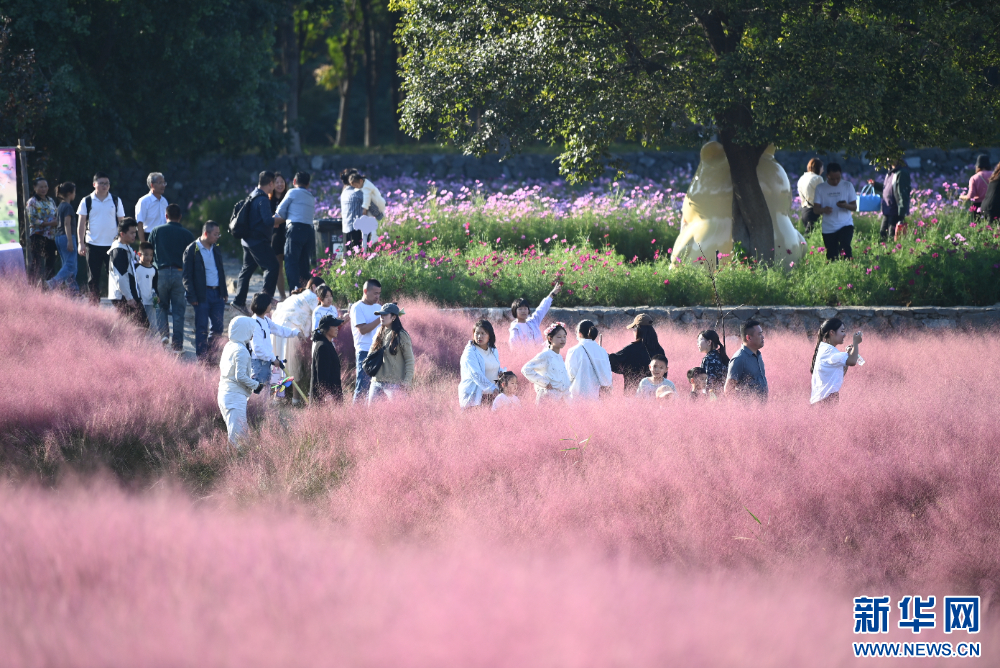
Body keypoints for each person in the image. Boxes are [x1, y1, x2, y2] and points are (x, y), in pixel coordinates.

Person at [232, 171, 281, 315]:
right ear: (271, 183)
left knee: (247, 269)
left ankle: (238, 301)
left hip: (247, 240)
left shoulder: (252, 194)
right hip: (257, 241)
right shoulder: (263, 199)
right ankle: (265, 302)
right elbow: (268, 220)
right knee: (272, 267)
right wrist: (282, 218)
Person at [149, 203, 194, 350]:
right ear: (180, 217)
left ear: (166, 216)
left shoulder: (156, 231)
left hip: (159, 274)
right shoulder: (188, 235)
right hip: (180, 274)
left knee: (159, 306)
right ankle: (178, 343)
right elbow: (192, 258)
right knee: (178, 310)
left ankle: (164, 336)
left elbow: (148, 252)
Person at [77, 172, 125, 303]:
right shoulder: (87, 200)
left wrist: (123, 242)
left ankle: (119, 307)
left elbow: (122, 222)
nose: (105, 186)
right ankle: (94, 307)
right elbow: (81, 224)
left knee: (115, 277)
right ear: (94, 184)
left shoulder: (116, 200)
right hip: (93, 244)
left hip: (112, 245)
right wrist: (80, 243)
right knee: (93, 278)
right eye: (101, 183)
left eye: (107, 183)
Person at [183, 221, 228, 358]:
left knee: (218, 328)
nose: (218, 237)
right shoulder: (192, 249)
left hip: (217, 294)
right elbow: (187, 275)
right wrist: (192, 295)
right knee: (202, 328)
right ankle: (202, 358)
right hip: (202, 295)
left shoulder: (216, 248)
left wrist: (224, 292)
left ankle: (212, 355)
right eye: (215, 234)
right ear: (206, 233)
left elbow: (220, 270)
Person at [217, 316, 264, 446]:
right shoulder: (241, 350)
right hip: (234, 397)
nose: (252, 334)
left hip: (224, 393)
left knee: (234, 435)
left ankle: (232, 462)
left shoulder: (229, 346)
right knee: (239, 439)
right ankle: (236, 464)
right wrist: (256, 385)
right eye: (250, 330)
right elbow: (240, 376)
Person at [275, 171, 317, 292]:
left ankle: (294, 292)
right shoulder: (311, 197)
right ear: (308, 184)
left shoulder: (292, 192)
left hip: (295, 230)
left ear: (294, 181)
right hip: (309, 232)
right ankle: (306, 292)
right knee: (304, 264)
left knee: (291, 262)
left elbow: (280, 211)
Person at [249, 292, 302, 387]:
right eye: (269, 303)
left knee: (266, 391)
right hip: (259, 364)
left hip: (266, 362)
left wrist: (295, 332)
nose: (271, 305)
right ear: (264, 305)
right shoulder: (255, 324)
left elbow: (279, 329)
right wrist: (273, 358)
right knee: (259, 393)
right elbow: (257, 349)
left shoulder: (265, 320)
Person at [367, 303, 414, 404]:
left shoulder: (402, 335)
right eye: (381, 315)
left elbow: (409, 360)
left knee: (397, 416)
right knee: (372, 415)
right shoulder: (379, 332)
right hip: (376, 381)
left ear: (394, 317)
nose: (382, 317)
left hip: (395, 384)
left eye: (385, 314)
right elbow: (370, 355)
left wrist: (407, 382)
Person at [810, 318, 863, 405]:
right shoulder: (829, 351)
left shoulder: (827, 350)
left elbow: (840, 374)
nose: (845, 334)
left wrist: (847, 354)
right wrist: (856, 343)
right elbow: (853, 361)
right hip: (825, 401)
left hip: (823, 401)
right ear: (832, 333)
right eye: (842, 331)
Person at [609, 314, 665, 394]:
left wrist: (601, 354)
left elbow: (614, 361)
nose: (633, 331)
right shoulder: (660, 350)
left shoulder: (631, 349)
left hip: (633, 395)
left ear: (638, 329)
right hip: (656, 395)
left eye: (633, 328)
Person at [811, 163, 857, 260]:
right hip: (829, 227)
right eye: (832, 179)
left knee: (845, 249)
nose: (836, 181)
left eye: (838, 178)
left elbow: (854, 207)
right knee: (832, 255)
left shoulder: (848, 186)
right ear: (827, 175)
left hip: (846, 224)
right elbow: (815, 210)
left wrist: (846, 205)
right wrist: (823, 210)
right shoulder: (820, 188)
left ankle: (849, 269)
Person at [108, 218, 148, 326]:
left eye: (135, 232)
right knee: (142, 325)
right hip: (123, 297)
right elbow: (121, 278)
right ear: (122, 234)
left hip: (127, 295)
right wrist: (129, 298)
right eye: (132, 233)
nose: (134, 235)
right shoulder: (118, 252)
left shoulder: (125, 247)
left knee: (135, 325)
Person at [521, 322, 571, 404]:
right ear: (550, 339)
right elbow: (526, 369)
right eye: (559, 337)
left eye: (564, 337)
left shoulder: (559, 357)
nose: (563, 339)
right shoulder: (545, 355)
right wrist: (545, 383)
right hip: (548, 399)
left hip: (560, 400)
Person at [350, 279, 382, 403]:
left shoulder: (378, 307)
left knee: (376, 389)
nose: (377, 296)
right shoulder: (357, 307)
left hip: (378, 351)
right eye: (375, 293)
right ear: (365, 291)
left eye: (379, 293)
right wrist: (380, 318)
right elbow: (362, 329)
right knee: (362, 387)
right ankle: (355, 418)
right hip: (364, 352)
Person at [565, 320, 613, 401]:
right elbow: (608, 376)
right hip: (597, 399)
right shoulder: (602, 351)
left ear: (579, 334)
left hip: (578, 397)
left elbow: (569, 375)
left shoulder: (574, 351)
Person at [459, 319, 501, 408]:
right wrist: (493, 389)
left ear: (490, 335)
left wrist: (502, 374)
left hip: (493, 396)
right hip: (475, 397)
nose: (479, 336)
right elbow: (476, 374)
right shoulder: (470, 352)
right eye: (477, 333)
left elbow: (495, 366)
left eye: (483, 333)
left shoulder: (493, 350)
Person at [725, 319, 768, 401]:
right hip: (748, 411)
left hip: (761, 411)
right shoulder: (739, 359)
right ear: (749, 337)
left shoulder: (758, 355)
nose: (763, 337)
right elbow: (729, 390)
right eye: (759, 334)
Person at [26, 177, 59, 283]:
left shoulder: (50, 200)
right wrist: (50, 223)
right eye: (40, 187)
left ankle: (49, 286)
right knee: (37, 262)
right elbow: (33, 220)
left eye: (45, 186)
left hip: (51, 236)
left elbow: (56, 214)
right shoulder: (32, 201)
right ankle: (32, 286)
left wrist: (57, 221)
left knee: (51, 263)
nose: (43, 189)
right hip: (38, 236)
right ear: (35, 188)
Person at [48, 182, 79, 292]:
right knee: (71, 265)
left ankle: (72, 290)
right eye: (74, 192)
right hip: (67, 236)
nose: (75, 194)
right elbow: (67, 224)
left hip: (59, 236)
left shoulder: (60, 206)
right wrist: (70, 241)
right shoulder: (68, 207)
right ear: (70, 193)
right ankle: (53, 283)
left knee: (67, 265)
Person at [311, 314, 345, 403]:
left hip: (332, 396)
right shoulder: (322, 347)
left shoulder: (327, 344)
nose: (337, 328)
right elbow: (322, 375)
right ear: (325, 328)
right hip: (326, 400)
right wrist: (326, 395)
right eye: (334, 325)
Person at [878, 158, 911, 242]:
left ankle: (891, 253)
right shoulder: (890, 172)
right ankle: (883, 254)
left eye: (892, 157)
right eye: (887, 157)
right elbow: (886, 188)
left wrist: (901, 215)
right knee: (883, 234)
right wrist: (875, 185)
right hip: (887, 209)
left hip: (895, 210)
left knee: (891, 236)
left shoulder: (901, 172)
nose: (889, 159)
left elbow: (902, 194)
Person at [269, 172, 289, 299]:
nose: (280, 184)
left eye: (282, 182)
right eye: (277, 182)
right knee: (278, 266)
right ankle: (282, 295)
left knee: (290, 265)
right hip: (275, 236)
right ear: (272, 184)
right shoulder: (268, 200)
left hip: (288, 233)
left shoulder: (288, 197)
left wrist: (277, 220)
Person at [135, 172, 168, 243]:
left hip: (164, 236)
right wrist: (143, 244)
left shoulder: (164, 201)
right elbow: (140, 224)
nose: (163, 185)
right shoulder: (144, 201)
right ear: (152, 185)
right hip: (150, 236)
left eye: (164, 183)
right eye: (160, 183)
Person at [135, 241, 158, 331]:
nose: (149, 257)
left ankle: (152, 344)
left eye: (151, 255)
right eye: (146, 255)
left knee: (153, 325)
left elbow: (155, 286)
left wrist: (157, 296)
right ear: (139, 254)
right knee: (140, 326)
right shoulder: (135, 267)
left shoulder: (154, 269)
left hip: (150, 302)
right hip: (138, 302)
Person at [796, 158, 824, 234]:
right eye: (822, 168)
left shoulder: (802, 178)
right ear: (818, 167)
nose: (823, 170)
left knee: (808, 235)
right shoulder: (818, 178)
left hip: (804, 211)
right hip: (815, 211)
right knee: (809, 236)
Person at [340, 169, 363, 251]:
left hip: (346, 230)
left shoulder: (345, 192)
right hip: (356, 231)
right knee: (358, 258)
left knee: (349, 257)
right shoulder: (356, 192)